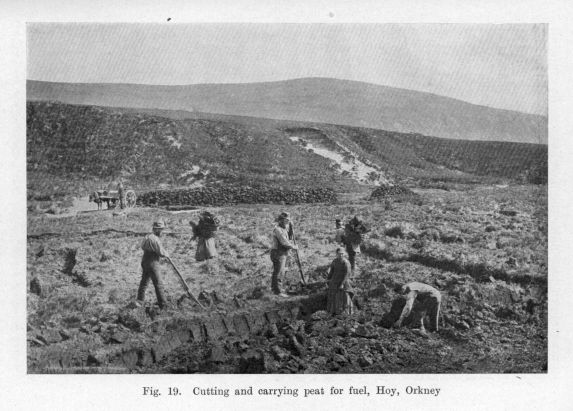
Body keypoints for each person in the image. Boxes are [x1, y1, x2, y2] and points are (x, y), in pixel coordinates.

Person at [137, 220, 170, 308]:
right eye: (161, 230)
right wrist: (167, 255)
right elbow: (161, 252)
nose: (162, 232)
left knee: (144, 282)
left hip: (144, 261)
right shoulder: (155, 239)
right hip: (153, 262)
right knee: (158, 283)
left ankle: (139, 301)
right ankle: (163, 304)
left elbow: (142, 247)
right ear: (157, 229)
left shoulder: (147, 237)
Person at [270, 212, 298, 297]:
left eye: (288, 220)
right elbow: (284, 242)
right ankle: (278, 292)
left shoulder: (284, 228)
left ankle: (275, 289)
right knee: (279, 272)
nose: (288, 222)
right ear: (281, 220)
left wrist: (291, 229)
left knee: (279, 271)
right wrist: (293, 247)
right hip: (278, 253)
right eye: (286, 220)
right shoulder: (278, 229)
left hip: (282, 253)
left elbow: (288, 238)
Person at [326, 248, 354, 315]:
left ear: (344, 254)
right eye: (339, 254)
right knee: (334, 296)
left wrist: (342, 284)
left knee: (344, 296)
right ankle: (334, 312)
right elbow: (332, 271)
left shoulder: (346, 262)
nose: (341, 255)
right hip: (335, 281)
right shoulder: (335, 261)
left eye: (342, 254)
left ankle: (346, 312)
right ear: (336, 254)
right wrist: (328, 279)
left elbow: (347, 274)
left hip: (344, 282)